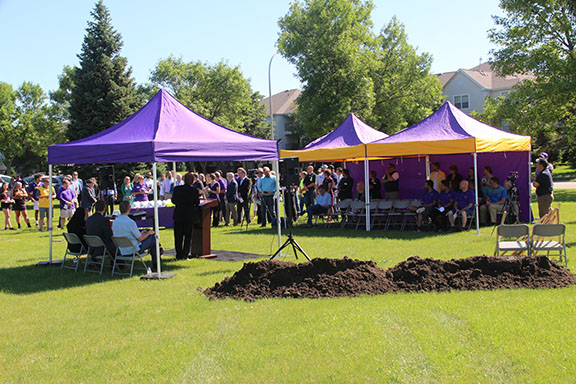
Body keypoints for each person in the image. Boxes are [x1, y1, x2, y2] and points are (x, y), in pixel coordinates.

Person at [112, 200, 160, 272]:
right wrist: (148, 233)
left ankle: (157, 259)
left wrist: (142, 233)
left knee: (151, 239)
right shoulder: (130, 222)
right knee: (153, 239)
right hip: (133, 249)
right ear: (129, 209)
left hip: (122, 249)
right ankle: (156, 265)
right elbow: (140, 238)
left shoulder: (115, 221)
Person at [172, 172, 200, 259]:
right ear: (192, 181)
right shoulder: (194, 191)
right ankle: (185, 254)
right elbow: (197, 202)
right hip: (189, 216)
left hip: (179, 215)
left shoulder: (177, 189)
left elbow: (173, 200)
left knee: (178, 236)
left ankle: (178, 254)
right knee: (188, 237)